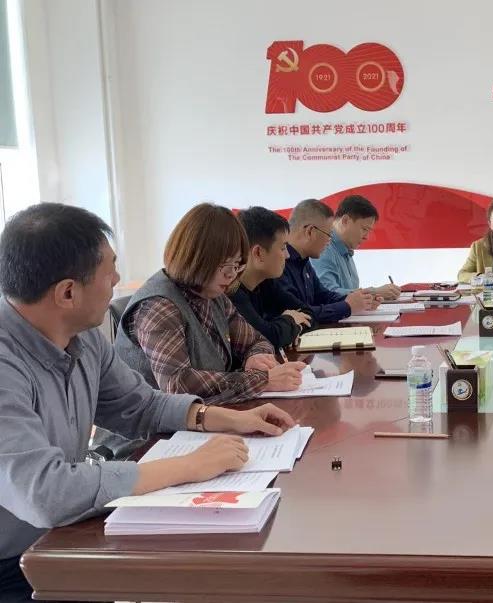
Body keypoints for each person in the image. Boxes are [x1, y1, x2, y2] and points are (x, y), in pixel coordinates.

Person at [0, 204, 297, 602]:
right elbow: (46, 493)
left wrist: (221, 418)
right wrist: (188, 466)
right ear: (68, 292)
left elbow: (141, 405)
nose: (117, 280)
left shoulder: (81, 337)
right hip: (17, 563)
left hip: (65, 536)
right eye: (110, 269)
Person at [115, 203, 306, 405]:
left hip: (206, 415)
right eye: (226, 265)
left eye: (237, 265)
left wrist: (256, 357)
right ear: (196, 257)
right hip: (153, 425)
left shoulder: (213, 294)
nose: (232, 275)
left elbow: (256, 340)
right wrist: (262, 381)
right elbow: (178, 383)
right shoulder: (158, 306)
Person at [278, 199, 380, 324]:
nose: (329, 240)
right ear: (310, 231)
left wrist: (360, 300)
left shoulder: (304, 262)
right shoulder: (279, 263)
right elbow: (301, 313)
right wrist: (347, 306)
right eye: (329, 234)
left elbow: (324, 296)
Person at [231, 206, 316, 350]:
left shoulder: (266, 282)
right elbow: (266, 338)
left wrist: (289, 328)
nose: (288, 255)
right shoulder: (232, 291)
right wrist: (289, 320)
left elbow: (309, 314)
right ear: (258, 253)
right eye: (283, 248)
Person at [310, 195, 401, 300]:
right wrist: (374, 293)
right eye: (364, 229)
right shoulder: (324, 247)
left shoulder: (346, 249)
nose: (366, 237)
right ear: (345, 220)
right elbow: (327, 293)